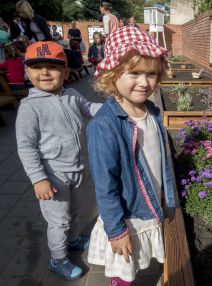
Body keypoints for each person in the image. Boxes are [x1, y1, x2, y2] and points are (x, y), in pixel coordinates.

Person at [87, 26, 176, 286]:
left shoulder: (152, 110)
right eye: (134, 73)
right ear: (112, 74)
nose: (144, 82)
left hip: (148, 202)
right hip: (127, 214)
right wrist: (116, 231)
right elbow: (106, 184)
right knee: (125, 266)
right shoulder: (105, 125)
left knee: (138, 261)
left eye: (151, 74)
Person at [15, 41, 102, 281]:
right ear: (27, 72)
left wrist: (111, 109)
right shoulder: (29, 108)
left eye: (52, 67)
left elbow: (89, 108)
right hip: (53, 176)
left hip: (79, 170)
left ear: (65, 72)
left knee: (74, 211)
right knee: (59, 221)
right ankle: (58, 258)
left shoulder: (71, 94)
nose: (44, 72)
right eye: (37, 67)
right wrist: (38, 179)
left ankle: (73, 240)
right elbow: (26, 146)